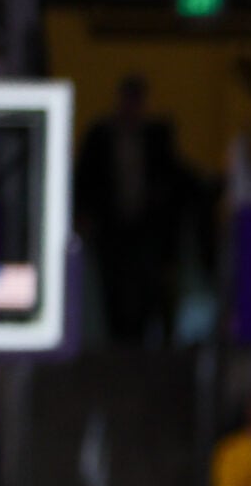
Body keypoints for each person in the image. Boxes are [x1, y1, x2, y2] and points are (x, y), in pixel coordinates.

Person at [75, 76, 193, 345]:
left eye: (137, 101)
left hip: (146, 227)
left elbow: (174, 178)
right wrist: (84, 215)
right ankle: (118, 340)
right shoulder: (100, 135)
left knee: (148, 286)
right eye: (128, 100)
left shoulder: (157, 136)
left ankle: (142, 339)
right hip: (111, 226)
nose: (132, 107)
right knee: (114, 284)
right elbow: (86, 178)